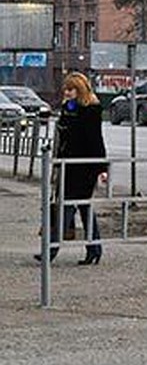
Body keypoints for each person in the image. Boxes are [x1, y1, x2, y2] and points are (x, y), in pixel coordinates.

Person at [36, 72, 108, 265]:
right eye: (65, 89)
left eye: (70, 89)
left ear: (80, 90)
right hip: (68, 165)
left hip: (84, 167)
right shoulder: (70, 107)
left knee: (66, 207)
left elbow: (95, 140)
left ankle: (50, 250)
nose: (66, 93)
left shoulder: (91, 110)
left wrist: (101, 167)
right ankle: (95, 249)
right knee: (84, 207)